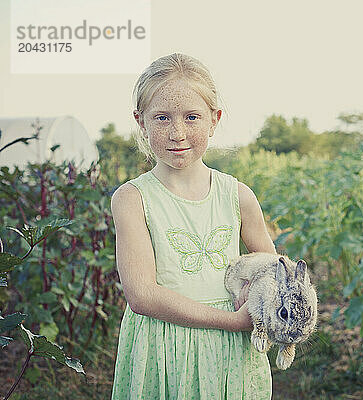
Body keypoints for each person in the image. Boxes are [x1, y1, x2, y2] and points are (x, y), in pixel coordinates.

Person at [111, 53, 274, 399]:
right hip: (163, 348)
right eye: (162, 118)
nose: (177, 132)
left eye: (191, 117)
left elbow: (271, 270)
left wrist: (257, 292)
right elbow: (142, 295)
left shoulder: (238, 196)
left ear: (214, 120)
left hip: (231, 355)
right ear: (141, 122)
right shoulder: (133, 199)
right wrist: (233, 321)